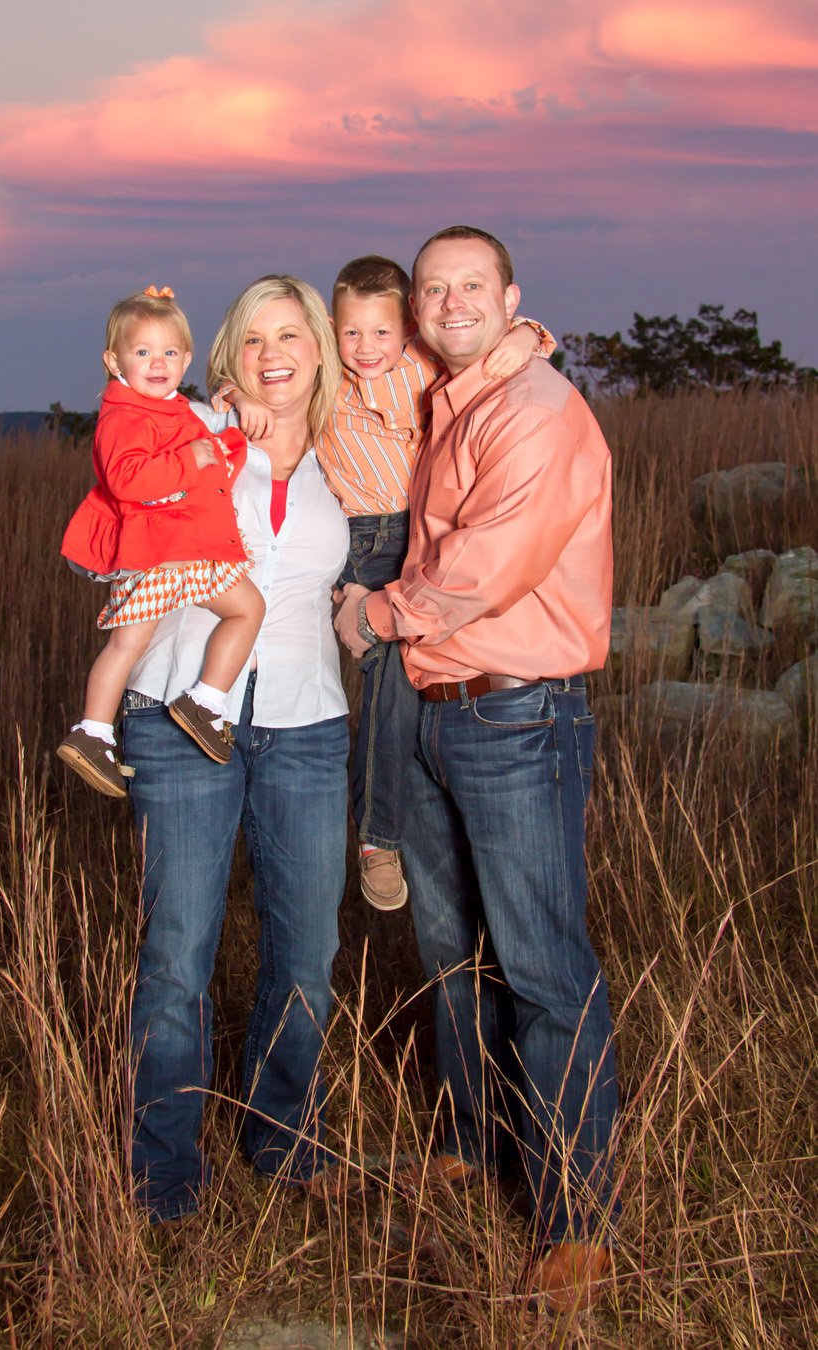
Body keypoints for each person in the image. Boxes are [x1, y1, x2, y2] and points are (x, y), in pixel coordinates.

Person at [335, 226, 619, 1308]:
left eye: (470, 285)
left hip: (516, 716)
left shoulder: (537, 412)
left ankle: (580, 1219)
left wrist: (374, 613)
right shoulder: (447, 400)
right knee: (455, 952)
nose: (449, 302)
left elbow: (486, 569)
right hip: (437, 710)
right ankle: (474, 1141)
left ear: (511, 296)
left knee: (543, 967)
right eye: (432, 288)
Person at [121, 275, 352, 1224]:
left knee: (308, 950)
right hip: (182, 715)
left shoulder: (353, 456)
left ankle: (282, 1137)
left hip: (307, 722)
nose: (272, 353)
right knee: (179, 950)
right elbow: (132, 429)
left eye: (291, 334)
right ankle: (164, 1176)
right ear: (228, 355)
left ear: (320, 350)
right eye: (252, 338)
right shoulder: (195, 434)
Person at [223, 255, 554, 912]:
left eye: (381, 333)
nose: (366, 350)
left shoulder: (426, 369)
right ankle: (375, 835)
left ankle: (422, 798)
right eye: (351, 334)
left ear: (406, 327)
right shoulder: (327, 386)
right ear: (330, 333)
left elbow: (519, 341)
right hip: (365, 540)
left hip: (431, 528)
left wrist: (521, 337)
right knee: (387, 669)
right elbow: (261, 381)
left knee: (425, 657)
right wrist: (235, 397)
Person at [58, 286, 265, 797]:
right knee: (136, 641)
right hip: (160, 552)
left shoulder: (177, 409)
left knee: (236, 613)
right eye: (143, 352)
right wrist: (194, 458)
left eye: (169, 352)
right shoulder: (123, 415)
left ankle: (177, 710)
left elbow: (209, 458)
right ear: (114, 361)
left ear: (187, 358)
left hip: (185, 547)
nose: (158, 363)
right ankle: (103, 728)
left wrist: (224, 443)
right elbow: (128, 479)